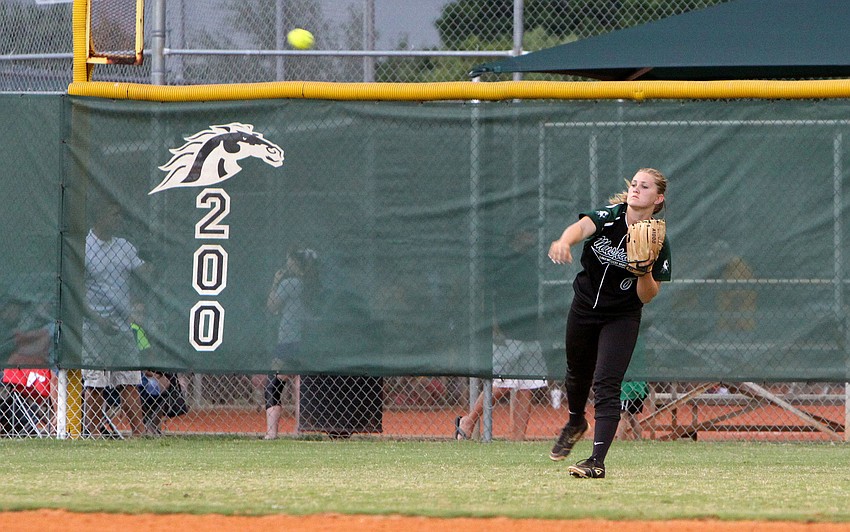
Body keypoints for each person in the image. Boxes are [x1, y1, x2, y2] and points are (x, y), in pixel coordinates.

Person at [547, 167, 671, 479]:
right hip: (584, 306)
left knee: (606, 382)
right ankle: (576, 422)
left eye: (645, 187)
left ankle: (596, 461)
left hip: (622, 316)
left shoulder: (657, 239)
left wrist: (644, 269)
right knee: (577, 373)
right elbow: (582, 227)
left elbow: (647, 295)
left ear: (658, 198)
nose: (636, 189)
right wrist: (564, 241)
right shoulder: (611, 216)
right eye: (634, 184)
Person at [454, 226, 547, 441]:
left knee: (527, 386)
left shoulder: (532, 263)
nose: (533, 236)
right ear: (517, 235)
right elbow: (490, 299)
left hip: (530, 331)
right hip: (507, 332)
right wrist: (495, 327)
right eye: (529, 231)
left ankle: (518, 437)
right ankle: (468, 421)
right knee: (502, 384)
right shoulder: (502, 263)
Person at [81, 200, 150, 438]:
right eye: (113, 215)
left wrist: (159, 258)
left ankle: (139, 435)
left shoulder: (125, 247)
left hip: (122, 327)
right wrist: (97, 319)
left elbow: (145, 275)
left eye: (120, 215)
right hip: (94, 327)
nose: (118, 219)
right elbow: (76, 292)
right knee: (96, 382)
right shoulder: (84, 247)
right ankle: (92, 435)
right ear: (99, 217)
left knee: (130, 380)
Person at [263, 247, 319, 439]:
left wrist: (275, 281)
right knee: (299, 381)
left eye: (290, 261)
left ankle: (272, 433)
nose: (287, 264)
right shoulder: (314, 283)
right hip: (308, 339)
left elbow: (272, 306)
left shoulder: (290, 282)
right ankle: (300, 429)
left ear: (296, 263)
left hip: (289, 338)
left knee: (274, 381)